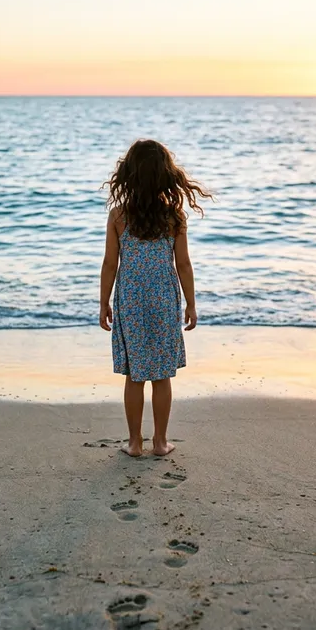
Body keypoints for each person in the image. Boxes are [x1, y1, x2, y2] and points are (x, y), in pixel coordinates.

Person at [99, 140, 211, 457]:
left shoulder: (119, 216)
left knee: (135, 375)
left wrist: (104, 302)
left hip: (130, 299)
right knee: (161, 375)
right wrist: (191, 303)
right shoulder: (174, 216)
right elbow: (183, 264)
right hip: (163, 297)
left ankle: (135, 443)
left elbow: (110, 264)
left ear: (129, 175)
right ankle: (160, 443)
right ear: (166, 177)